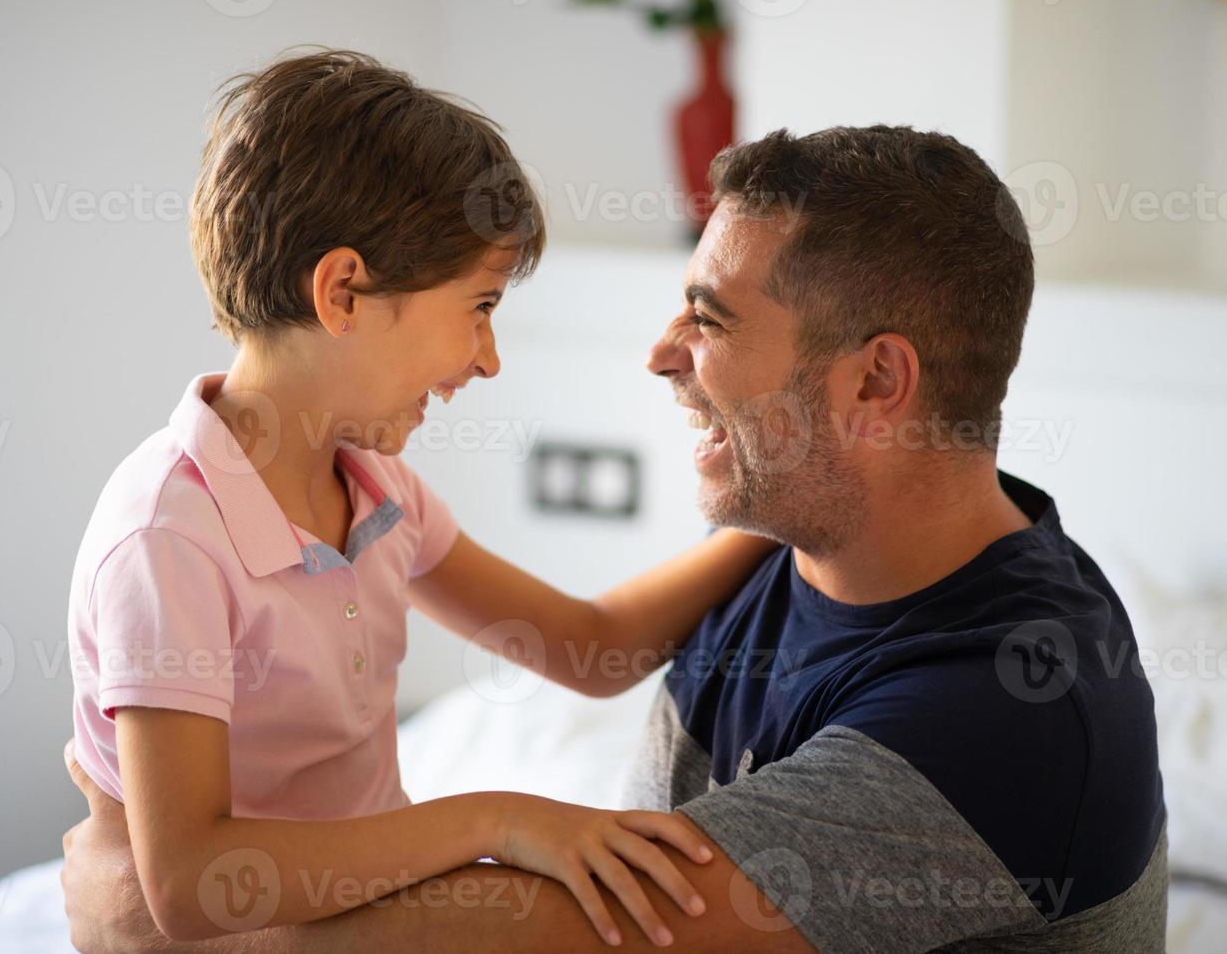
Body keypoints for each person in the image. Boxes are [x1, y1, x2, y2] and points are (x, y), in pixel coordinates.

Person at [62, 124, 1168, 953]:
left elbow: (569, 925)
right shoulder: (789, 545)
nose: (660, 353)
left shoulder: (1007, 712)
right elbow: (595, 654)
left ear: (877, 380)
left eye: (710, 317)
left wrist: (148, 916)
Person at [65, 46, 778, 949]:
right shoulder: (169, 537)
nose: (488, 358)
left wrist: (770, 518)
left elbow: (588, 649)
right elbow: (193, 883)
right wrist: (494, 821)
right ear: (343, 293)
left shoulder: (378, 491)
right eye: (478, 307)